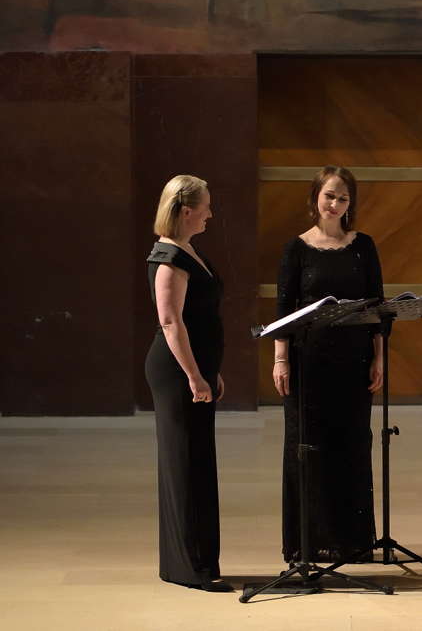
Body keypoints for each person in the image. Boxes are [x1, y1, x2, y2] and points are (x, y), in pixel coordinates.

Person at [272, 166, 384, 564]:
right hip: (308, 364)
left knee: (351, 447)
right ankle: (308, 542)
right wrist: (280, 359)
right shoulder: (296, 250)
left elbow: (377, 307)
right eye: (329, 196)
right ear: (315, 197)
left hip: (353, 363)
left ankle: (351, 542)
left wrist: (379, 358)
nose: (335, 204)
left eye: (342, 198)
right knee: (307, 448)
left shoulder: (363, 246)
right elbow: (283, 310)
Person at [145, 175, 231, 592]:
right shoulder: (168, 257)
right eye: (206, 206)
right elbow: (170, 321)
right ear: (186, 211)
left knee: (197, 461)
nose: (211, 213)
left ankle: (199, 561)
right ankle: (188, 568)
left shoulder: (188, 250)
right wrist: (195, 375)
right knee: (184, 464)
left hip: (194, 369)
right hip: (176, 373)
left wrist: (209, 369)